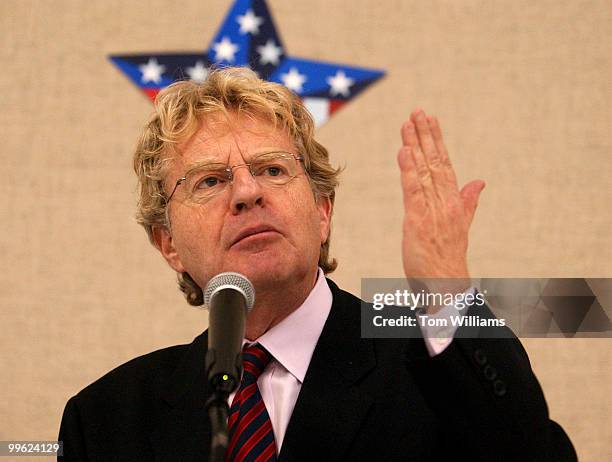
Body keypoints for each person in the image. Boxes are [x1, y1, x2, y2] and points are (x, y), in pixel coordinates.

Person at [58, 67, 577, 461]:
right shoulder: (106, 419)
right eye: (210, 180)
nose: (246, 192)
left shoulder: (429, 362)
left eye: (272, 169)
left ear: (322, 211)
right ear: (168, 243)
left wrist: (445, 294)